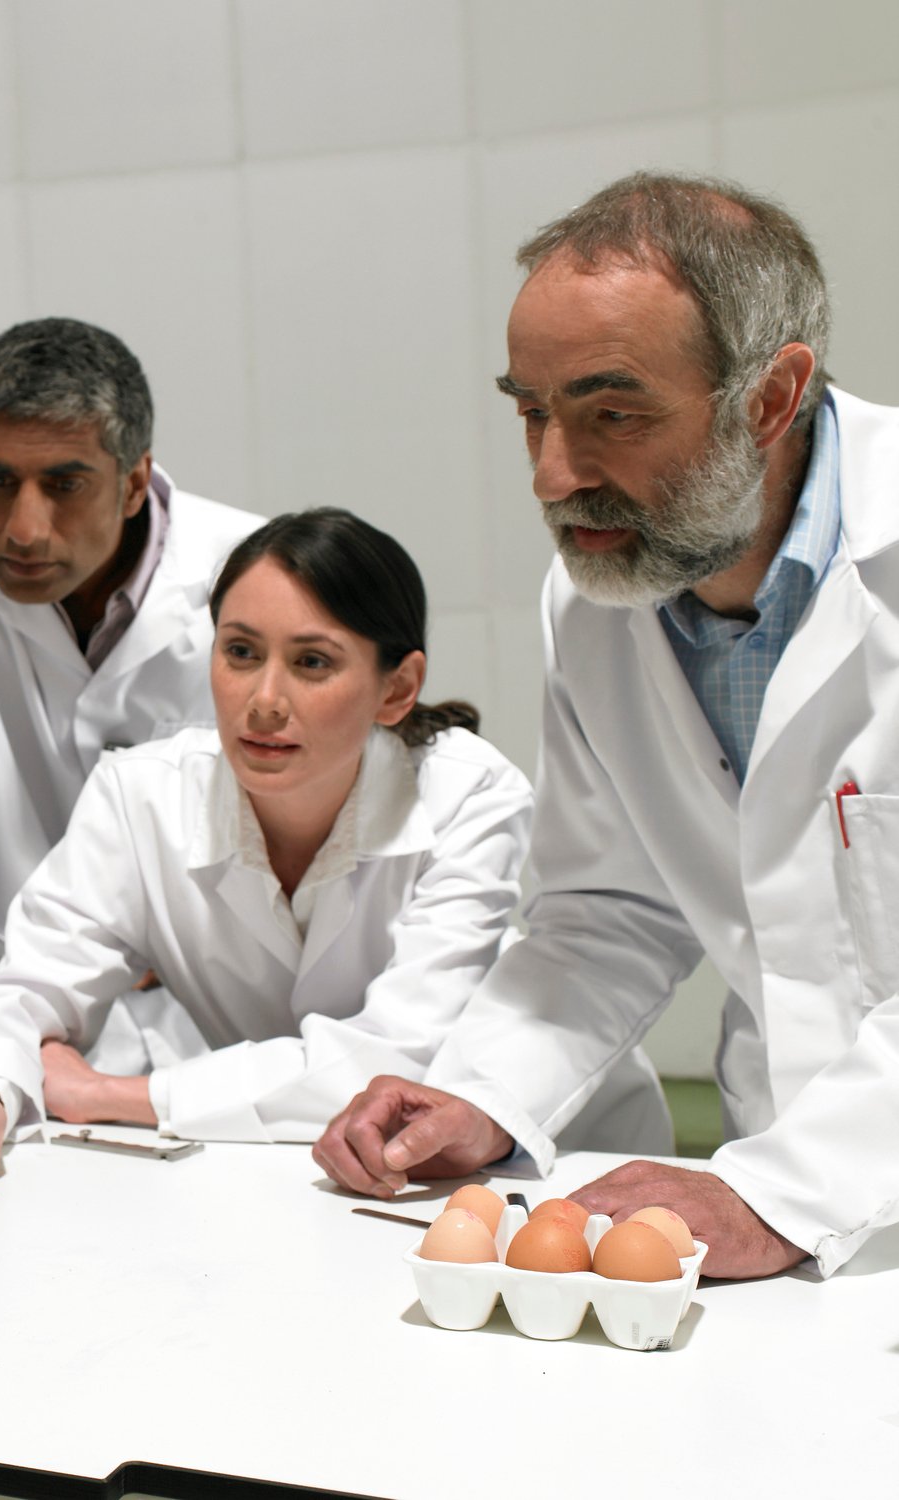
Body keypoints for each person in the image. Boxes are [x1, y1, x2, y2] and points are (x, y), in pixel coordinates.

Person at [315, 171, 899, 1281]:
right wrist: (482, 1094)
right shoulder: (599, 597)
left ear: (770, 398)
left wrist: (783, 1191)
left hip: (796, 1193)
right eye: (531, 412)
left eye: (610, 415)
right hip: (776, 1209)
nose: (553, 474)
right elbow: (610, 909)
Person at [0, 510, 542, 1195]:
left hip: (520, 1156)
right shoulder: (142, 794)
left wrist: (113, 1095)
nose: (263, 701)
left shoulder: (469, 795)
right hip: (296, 1171)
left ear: (396, 688)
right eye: (240, 652)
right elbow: (20, 989)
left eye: (311, 662)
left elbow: (393, 1065)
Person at [0, 318, 264, 1076]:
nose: (22, 527)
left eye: (65, 485)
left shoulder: (245, 569)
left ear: (135, 481)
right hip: (1, 1016)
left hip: (202, 1030)